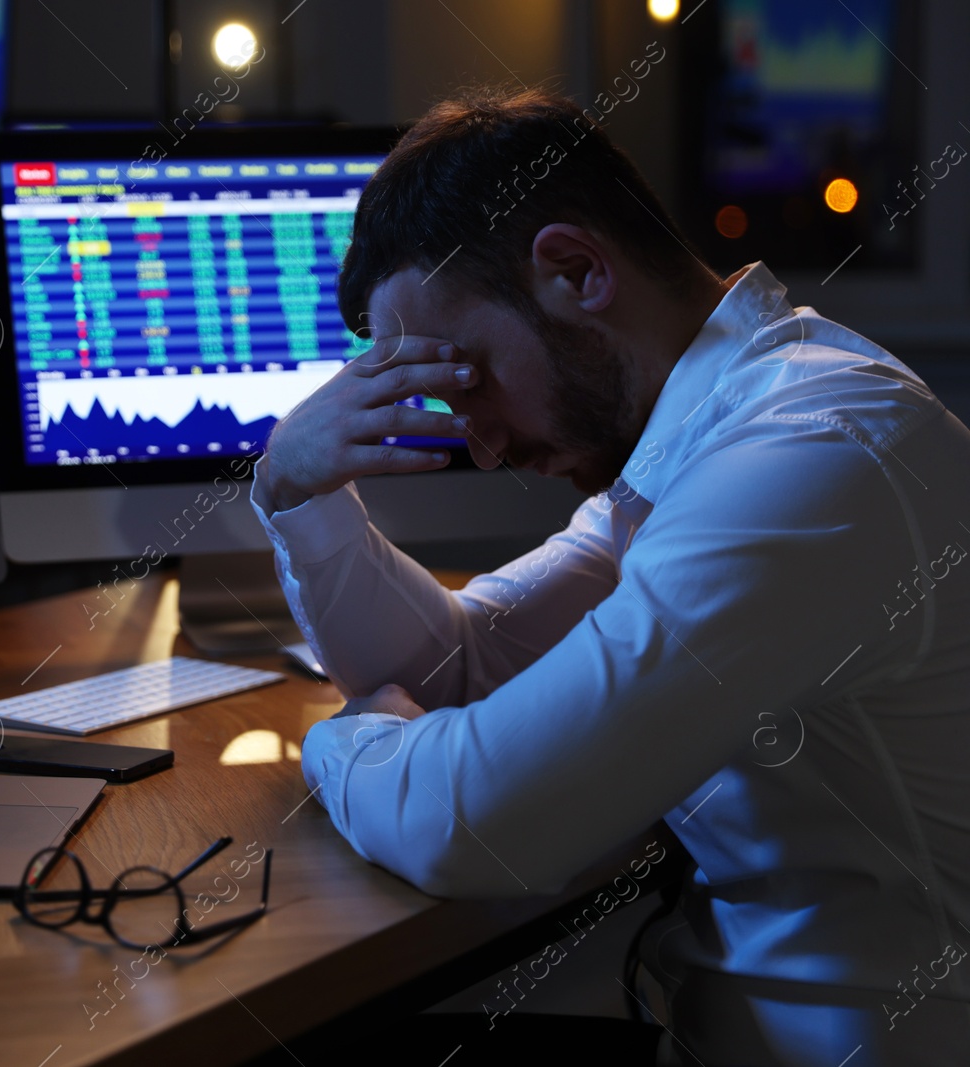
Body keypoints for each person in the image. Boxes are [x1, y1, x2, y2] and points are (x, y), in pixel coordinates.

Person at [252, 88, 970, 1066]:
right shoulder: (696, 444)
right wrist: (300, 490)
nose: (484, 441)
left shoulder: (812, 459)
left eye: (470, 379)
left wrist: (343, 741)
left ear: (576, 269)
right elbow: (457, 666)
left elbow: (489, 823)